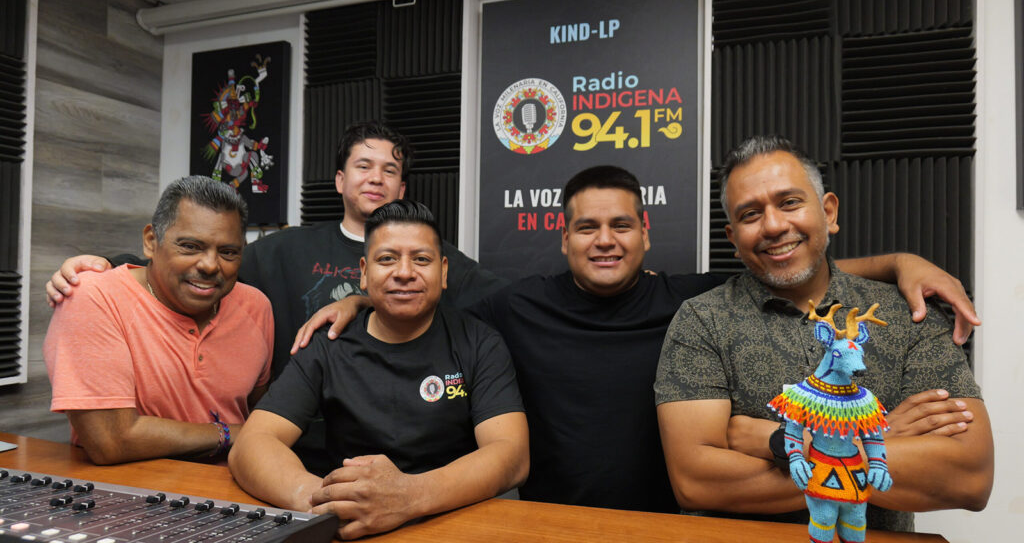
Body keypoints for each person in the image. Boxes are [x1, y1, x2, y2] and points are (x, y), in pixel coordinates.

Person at [297, 165, 980, 514]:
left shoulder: (692, 302)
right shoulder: (515, 305)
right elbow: (416, 290)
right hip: (553, 525)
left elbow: (786, 266)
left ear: (645, 234)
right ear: (562, 238)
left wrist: (897, 264)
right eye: (587, 227)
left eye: (620, 225)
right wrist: (361, 296)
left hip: (675, 522)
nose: (604, 240)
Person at [43, 121, 504, 473]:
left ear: (403, 188)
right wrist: (98, 265)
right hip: (277, 446)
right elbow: (203, 265)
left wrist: (367, 302)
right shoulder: (285, 249)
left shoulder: (440, 256)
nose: (376, 178)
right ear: (340, 180)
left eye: (390, 170)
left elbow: (503, 302)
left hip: (324, 455)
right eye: (364, 166)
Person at [654, 135, 994, 531]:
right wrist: (879, 438)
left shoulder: (906, 314)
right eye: (750, 214)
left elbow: (968, 477)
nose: (775, 225)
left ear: (828, 211)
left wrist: (777, 442)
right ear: (733, 238)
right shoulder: (703, 321)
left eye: (790, 202)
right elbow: (698, 483)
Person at [229, 200, 528, 540]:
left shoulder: (479, 343)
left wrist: (409, 496)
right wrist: (323, 503)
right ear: (364, 272)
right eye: (387, 259)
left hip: (452, 522)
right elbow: (252, 445)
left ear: (444, 272)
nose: (404, 272)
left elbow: (511, 455)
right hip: (355, 528)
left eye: (421, 259)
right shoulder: (329, 344)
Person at [43, 175, 273, 465]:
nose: (210, 265)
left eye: (228, 252)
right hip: (128, 495)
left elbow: (263, 415)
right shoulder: (93, 297)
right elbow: (111, 441)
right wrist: (230, 434)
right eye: (190, 246)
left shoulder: (256, 306)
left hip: (232, 493)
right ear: (151, 242)